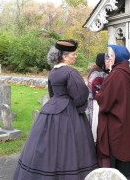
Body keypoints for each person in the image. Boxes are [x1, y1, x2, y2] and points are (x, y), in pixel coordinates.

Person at [13, 40, 98, 180]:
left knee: (50, 144)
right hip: (69, 111)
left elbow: (52, 92)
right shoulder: (71, 72)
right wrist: (79, 108)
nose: (75, 57)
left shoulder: (53, 71)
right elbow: (80, 94)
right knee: (70, 144)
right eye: (73, 54)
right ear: (64, 56)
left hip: (51, 109)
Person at [95, 44, 130, 179]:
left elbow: (106, 99)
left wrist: (99, 95)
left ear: (118, 58)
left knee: (120, 144)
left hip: (118, 119)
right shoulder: (127, 72)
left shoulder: (116, 75)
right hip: (126, 116)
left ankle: (121, 173)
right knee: (128, 142)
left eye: (112, 55)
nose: (110, 58)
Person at [86, 53, 110, 143]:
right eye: (107, 61)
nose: (109, 63)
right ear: (102, 61)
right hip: (95, 102)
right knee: (94, 123)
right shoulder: (96, 73)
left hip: (100, 101)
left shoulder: (103, 71)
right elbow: (96, 89)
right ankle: (93, 144)